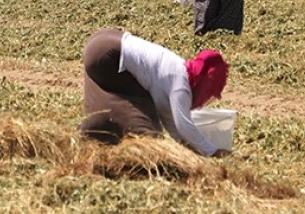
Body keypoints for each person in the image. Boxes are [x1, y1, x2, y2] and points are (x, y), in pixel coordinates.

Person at [79, 28, 231, 158]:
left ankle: (90, 136)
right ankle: (145, 150)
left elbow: (169, 120)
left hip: (100, 42)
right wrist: (212, 151)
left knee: (107, 99)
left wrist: (185, 148)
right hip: (110, 52)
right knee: (143, 111)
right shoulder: (181, 85)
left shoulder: (176, 72)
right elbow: (184, 124)